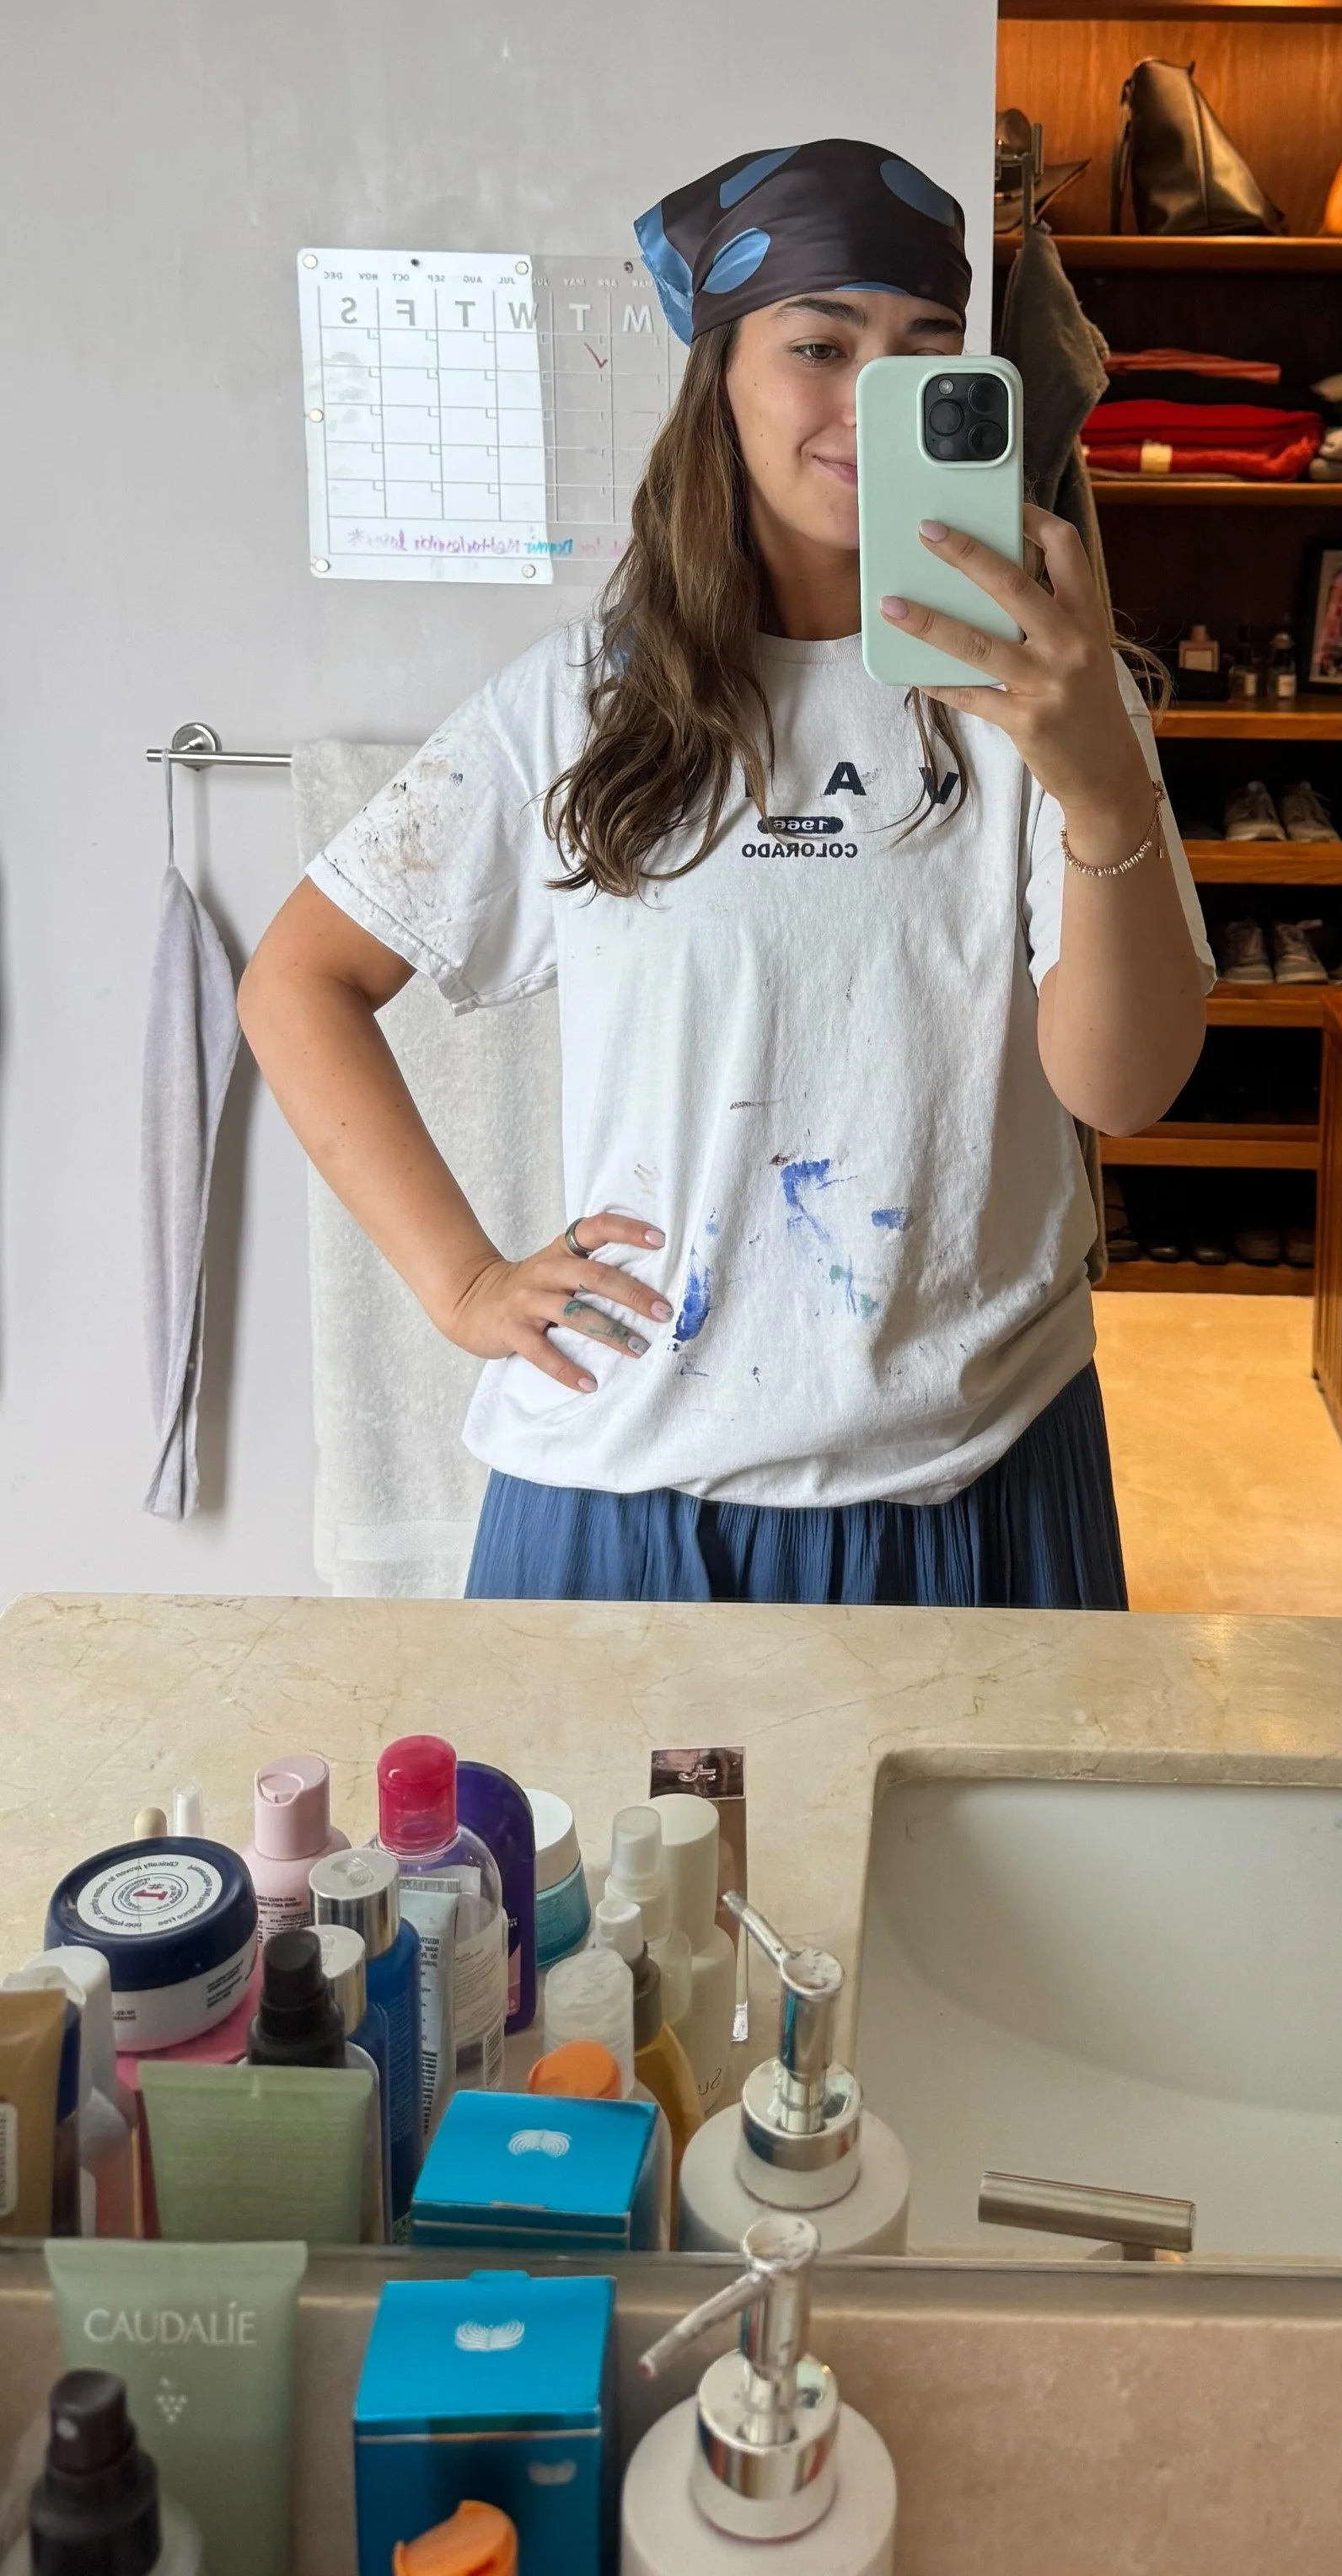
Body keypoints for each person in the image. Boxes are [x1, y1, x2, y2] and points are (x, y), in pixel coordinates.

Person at [240, 138, 1211, 1605]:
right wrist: (464, 1282)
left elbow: (1122, 1093)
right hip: (625, 1479)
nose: (872, 395)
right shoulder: (576, 705)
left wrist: (1092, 777)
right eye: (820, 346)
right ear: (720, 381)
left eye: (924, 347)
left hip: (977, 1461)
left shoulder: (1051, 696)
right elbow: (298, 980)